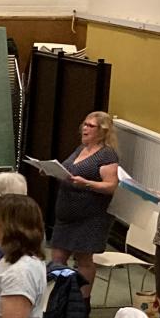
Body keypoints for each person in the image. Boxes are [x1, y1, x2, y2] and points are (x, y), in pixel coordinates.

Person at [48, 111, 119, 305]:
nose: (85, 128)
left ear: (102, 131)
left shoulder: (106, 154)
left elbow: (111, 186)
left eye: (90, 126)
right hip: (66, 215)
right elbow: (68, 171)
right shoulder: (81, 148)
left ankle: (81, 302)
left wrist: (86, 183)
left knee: (84, 259)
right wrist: (51, 171)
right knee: (57, 258)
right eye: (85, 124)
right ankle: (61, 298)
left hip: (90, 216)